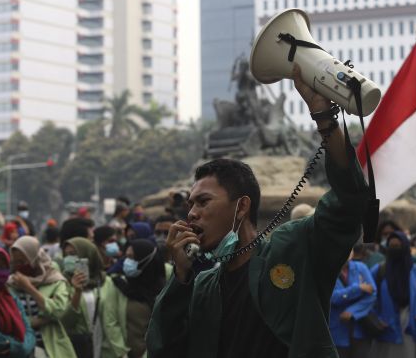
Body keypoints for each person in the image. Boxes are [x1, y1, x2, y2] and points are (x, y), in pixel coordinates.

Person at [146, 64, 372, 357]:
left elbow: (349, 201)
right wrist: (181, 276)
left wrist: (323, 115)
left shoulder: (293, 247)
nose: (191, 214)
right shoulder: (202, 285)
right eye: (190, 205)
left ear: (241, 207)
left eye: (203, 202)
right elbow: (163, 348)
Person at [9, 236, 76, 357]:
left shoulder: (55, 280)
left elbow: (58, 311)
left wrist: (29, 288)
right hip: (20, 348)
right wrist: (39, 321)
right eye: (16, 262)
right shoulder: (10, 284)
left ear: (34, 259)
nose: (19, 266)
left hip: (50, 345)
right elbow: (9, 319)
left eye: (23, 262)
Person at [370, 230, 416, 358]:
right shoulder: (379, 271)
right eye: (391, 246)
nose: (394, 249)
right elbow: (369, 298)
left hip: (411, 325)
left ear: (405, 247)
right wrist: (376, 319)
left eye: (398, 246)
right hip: (387, 327)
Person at [103, 239, 166, 358]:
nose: (127, 262)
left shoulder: (162, 289)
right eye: (126, 257)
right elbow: (110, 321)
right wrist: (122, 353)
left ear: (147, 260)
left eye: (132, 257)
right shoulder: (118, 284)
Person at [0, 246, 36, 357]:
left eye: (2, 267)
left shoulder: (10, 296)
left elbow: (28, 330)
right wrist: (18, 347)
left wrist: (21, 347)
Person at [60, 237, 113, 358]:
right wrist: (77, 292)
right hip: (79, 348)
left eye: (73, 254)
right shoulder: (62, 283)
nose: (69, 259)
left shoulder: (106, 282)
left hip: (104, 347)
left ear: (88, 255)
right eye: (66, 255)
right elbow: (66, 323)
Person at [329, 247, 377, 358]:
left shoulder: (361, 268)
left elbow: (372, 294)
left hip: (360, 328)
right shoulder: (326, 271)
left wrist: (352, 311)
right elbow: (332, 298)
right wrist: (358, 288)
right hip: (336, 331)